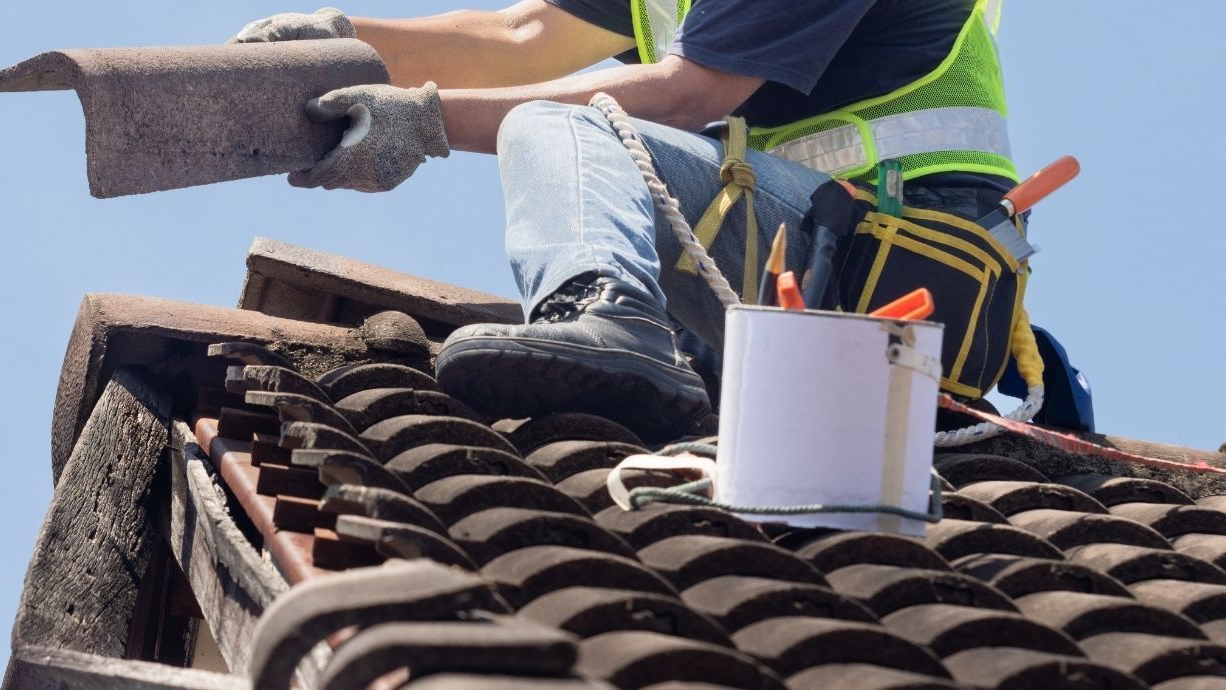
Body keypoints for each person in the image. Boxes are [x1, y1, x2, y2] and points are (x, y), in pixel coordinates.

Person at [230, 0, 1018, 439]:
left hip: (893, 277)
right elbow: (524, 36)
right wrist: (346, 42)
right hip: (809, 264)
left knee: (561, 126)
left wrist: (421, 123)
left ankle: (611, 318)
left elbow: (687, 94)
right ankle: (646, 352)